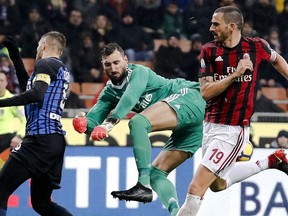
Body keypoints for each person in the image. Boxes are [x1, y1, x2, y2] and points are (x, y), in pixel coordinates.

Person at [177, 6, 288, 216]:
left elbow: (276, 59)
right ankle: (272, 160)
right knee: (216, 185)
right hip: (209, 125)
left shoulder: (256, 47)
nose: (211, 28)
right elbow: (205, 92)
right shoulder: (209, 51)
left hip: (233, 131)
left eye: (215, 24)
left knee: (195, 188)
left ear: (232, 26)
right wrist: (235, 74)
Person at [72, 42, 206, 216]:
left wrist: (109, 123)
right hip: (189, 125)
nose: (113, 68)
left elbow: (130, 98)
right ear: (103, 66)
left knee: (138, 122)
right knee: (156, 174)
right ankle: (175, 212)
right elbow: (93, 121)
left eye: (116, 62)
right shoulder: (109, 93)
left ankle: (142, 185)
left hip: (189, 97)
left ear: (126, 60)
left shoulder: (139, 72)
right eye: (108, 64)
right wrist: (83, 125)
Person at [0, 32, 73, 216]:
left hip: (40, 138)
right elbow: (30, 89)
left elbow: (36, 94)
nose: (37, 48)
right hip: (54, 141)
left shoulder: (45, 63)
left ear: (45, 45)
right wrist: (15, 57)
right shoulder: (60, 69)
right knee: (41, 203)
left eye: (39, 44)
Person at [0, 71, 25, 168]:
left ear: (6, 82)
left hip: (5, 143)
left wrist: (19, 136)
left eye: (1, 80)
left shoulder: (13, 101)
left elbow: (25, 120)